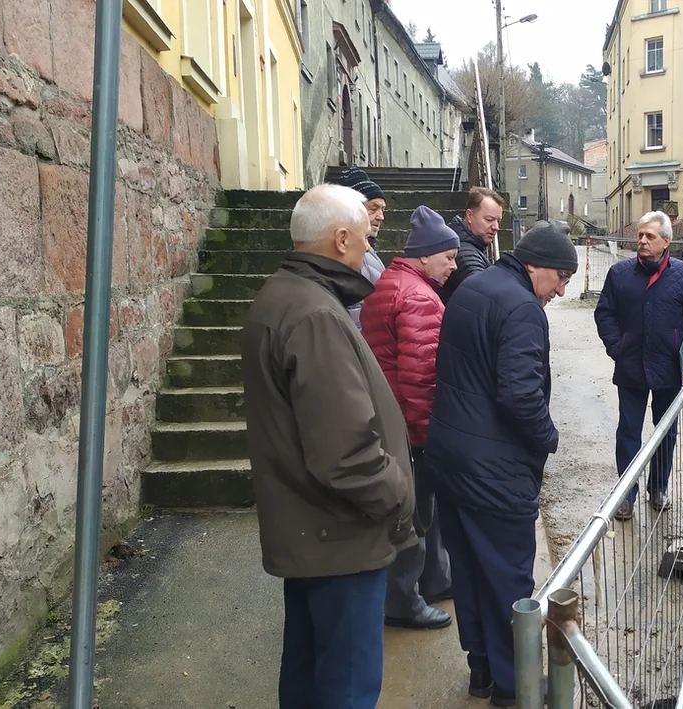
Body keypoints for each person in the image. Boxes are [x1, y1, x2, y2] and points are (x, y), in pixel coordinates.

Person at [241, 184, 416, 708]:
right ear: (341, 239)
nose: (369, 247)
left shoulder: (286, 297)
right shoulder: (314, 313)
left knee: (309, 672)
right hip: (339, 534)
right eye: (364, 237)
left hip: (313, 530)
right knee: (346, 683)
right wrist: (399, 495)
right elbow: (346, 453)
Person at [427, 220, 577, 706]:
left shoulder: (472, 287)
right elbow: (520, 396)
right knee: (509, 580)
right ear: (541, 268)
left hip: (450, 460)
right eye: (561, 280)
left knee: (469, 572)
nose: (560, 291)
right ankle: (517, 689)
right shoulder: (522, 308)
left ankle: (482, 673)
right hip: (495, 473)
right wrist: (548, 439)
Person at [360, 206, 459, 631]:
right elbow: (421, 378)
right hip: (409, 425)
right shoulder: (418, 296)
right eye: (449, 258)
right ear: (425, 255)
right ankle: (404, 602)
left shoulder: (388, 282)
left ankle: (433, 579)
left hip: (388, 416)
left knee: (419, 510)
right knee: (415, 512)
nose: (454, 266)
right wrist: (426, 437)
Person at [594, 211, 683, 521]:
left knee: (666, 431)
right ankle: (626, 495)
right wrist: (618, 346)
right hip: (631, 366)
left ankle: (658, 488)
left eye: (650, 236)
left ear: (667, 241)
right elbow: (604, 314)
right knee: (628, 430)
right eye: (640, 235)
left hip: (669, 368)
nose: (642, 240)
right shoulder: (620, 274)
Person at [331, 167, 388, 330]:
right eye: (373, 208)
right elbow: (354, 312)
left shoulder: (367, 248)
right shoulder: (346, 251)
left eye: (383, 209)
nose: (381, 216)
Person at [439, 186, 505, 305]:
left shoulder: (465, 243)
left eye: (498, 221)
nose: (496, 227)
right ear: (469, 216)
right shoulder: (461, 250)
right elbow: (484, 292)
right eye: (489, 219)